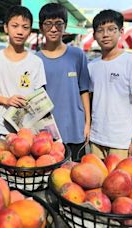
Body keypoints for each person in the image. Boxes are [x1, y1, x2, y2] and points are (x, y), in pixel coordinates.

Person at [87, 9, 132, 160]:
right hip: (96, 139)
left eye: (111, 29)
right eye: (100, 30)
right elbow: (90, 99)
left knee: (119, 183)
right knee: (96, 182)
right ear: (94, 35)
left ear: (121, 31)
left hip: (121, 142)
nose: (105, 34)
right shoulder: (92, 66)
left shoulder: (131, 62)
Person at [35, 3, 90, 160]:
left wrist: (87, 124)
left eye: (59, 24)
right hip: (47, 134)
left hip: (75, 128)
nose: (53, 29)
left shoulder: (77, 55)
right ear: (41, 27)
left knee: (76, 177)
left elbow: (84, 91)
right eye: (48, 24)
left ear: (65, 26)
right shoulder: (35, 60)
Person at [0, 5, 47, 140]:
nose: (20, 32)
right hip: (0, 128)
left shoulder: (36, 62)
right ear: (5, 27)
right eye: (15, 26)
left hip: (27, 131)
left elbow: (40, 97)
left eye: (25, 27)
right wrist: (6, 100)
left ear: (30, 30)